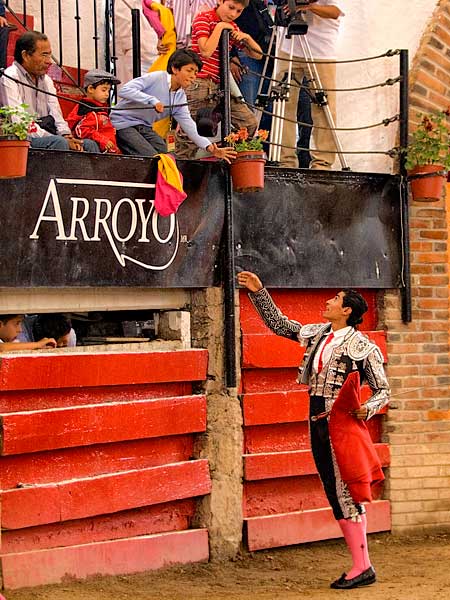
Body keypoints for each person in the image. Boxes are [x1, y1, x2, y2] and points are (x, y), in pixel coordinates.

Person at [237, 270, 390, 589]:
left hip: (341, 422)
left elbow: (383, 390)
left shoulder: (362, 346)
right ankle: (362, 564)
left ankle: (363, 567)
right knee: (335, 490)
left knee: (344, 491)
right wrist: (258, 291)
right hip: (317, 417)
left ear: (346, 310)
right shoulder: (319, 334)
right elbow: (281, 325)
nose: (328, 301)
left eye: (335, 299)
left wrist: (367, 408)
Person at [110, 47, 236, 161]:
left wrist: (209, 147)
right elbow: (124, 90)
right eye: (189, 70)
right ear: (175, 69)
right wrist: (152, 100)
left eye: (196, 72)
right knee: (153, 158)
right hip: (122, 124)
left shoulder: (180, 98)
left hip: (144, 127)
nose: (193, 76)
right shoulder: (157, 77)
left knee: (170, 158)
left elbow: (189, 126)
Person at [175, 0, 262, 160]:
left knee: (249, 123)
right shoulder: (204, 18)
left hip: (220, 85)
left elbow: (258, 55)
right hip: (199, 83)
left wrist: (247, 38)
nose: (233, 14)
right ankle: (180, 172)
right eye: (231, 7)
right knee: (189, 135)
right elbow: (206, 51)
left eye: (239, 11)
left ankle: (230, 160)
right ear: (220, 1)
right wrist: (220, 27)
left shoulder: (232, 26)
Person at [0, 31, 99, 152]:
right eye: (44, 55)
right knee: (58, 143)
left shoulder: (46, 80)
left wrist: (66, 135)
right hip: (24, 139)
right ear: (25, 55)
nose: (49, 61)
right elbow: (19, 122)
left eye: (49, 55)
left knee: (89, 144)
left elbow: (56, 114)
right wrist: (55, 138)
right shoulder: (10, 77)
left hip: (47, 132)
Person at [275, 0, 343, 169]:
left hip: (321, 51)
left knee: (324, 107)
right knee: (282, 104)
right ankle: (285, 161)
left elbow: (335, 11)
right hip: (288, 44)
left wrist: (309, 6)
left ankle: (322, 163)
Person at [67, 69, 121, 154]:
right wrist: (102, 139)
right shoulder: (86, 109)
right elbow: (82, 129)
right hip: (95, 149)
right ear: (91, 89)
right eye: (103, 90)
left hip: (108, 150)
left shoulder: (101, 110)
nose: (107, 94)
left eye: (108, 90)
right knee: (90, 144)